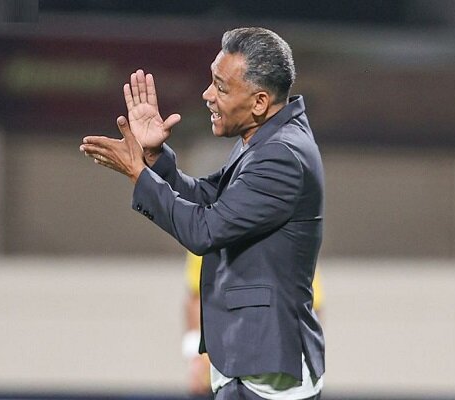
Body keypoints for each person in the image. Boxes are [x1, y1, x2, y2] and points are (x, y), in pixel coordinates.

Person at [80, 27, 325, 400]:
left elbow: (204, 230)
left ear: (259, 102)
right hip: (252, 364)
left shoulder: (280, 155)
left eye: (221, 87)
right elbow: (211, 199)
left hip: (268, 376)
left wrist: (138, 174)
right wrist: (154, 159)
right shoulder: (268, 140)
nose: (207, 95)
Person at [182, 252, 325, 398]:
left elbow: (310, 305)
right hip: (217, 370)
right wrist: (195, 358)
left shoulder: (292, 244)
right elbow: (195, 295)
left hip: (278, 375)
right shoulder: (211, 240)